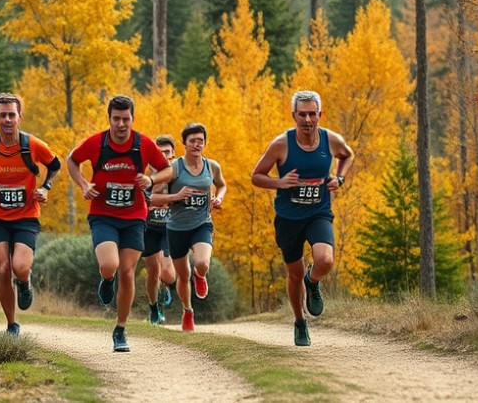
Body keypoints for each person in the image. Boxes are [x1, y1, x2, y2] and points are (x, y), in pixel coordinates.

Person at [67, 95, 172, 352]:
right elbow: (72, 160)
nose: (121, 124)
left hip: (135, 217)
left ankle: (120, 329)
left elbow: (168, 169)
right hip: (103, 215)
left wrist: (151, 179)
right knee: (110, 265)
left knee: (127, 272)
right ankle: (106, 279)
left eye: (126, 119)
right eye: (117, 119)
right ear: (109, 119)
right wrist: (83, 184)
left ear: (132, 119)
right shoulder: (97, 143)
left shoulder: (143, 144)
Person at [250, 90, 354, 346]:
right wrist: (280, 182)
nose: (307, 119)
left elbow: (348, 155)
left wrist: (339, 178)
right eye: (302, 114)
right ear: (293, 115)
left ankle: (313, 280)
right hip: (288, 218)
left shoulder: (331, 140)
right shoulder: (281, 144)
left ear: (320, 114)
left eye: (312, 114)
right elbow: (256, 176)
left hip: (318, 212)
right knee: (293, 275)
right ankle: (299, 321)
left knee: (325, 260)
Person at [0, 93, 61, 336]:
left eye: (11, 115)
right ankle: (11, 324)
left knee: (19, 267)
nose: (7, 120)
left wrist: (45, 188)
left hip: (26, 216)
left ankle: (25, 283)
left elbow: (55, 166)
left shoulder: (33, 145)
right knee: (3, 269)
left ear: (19, 117)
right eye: (3, 115)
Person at [150, 123, 226, 332]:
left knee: (202, 263)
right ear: (184, 144)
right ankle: (188, 310)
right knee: (182, 276)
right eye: (192, 140)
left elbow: (222, 184)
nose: (196, 144)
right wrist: (175, 197)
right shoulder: (173, 169)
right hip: (176, 228)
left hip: (202, 224)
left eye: (200, 140)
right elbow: (151, 197)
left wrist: (218, 198)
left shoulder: (212, 166)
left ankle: (200, 276)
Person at [143, 135, 178, 325]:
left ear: (173, 154)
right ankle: (153, 307)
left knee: (166, 272)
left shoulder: (178, 174)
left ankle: (167, 286)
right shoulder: (145, 176)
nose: (164, 156)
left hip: (169, 227)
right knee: (152, 272)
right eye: (160, 152)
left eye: (168, 152)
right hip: (148, 227)